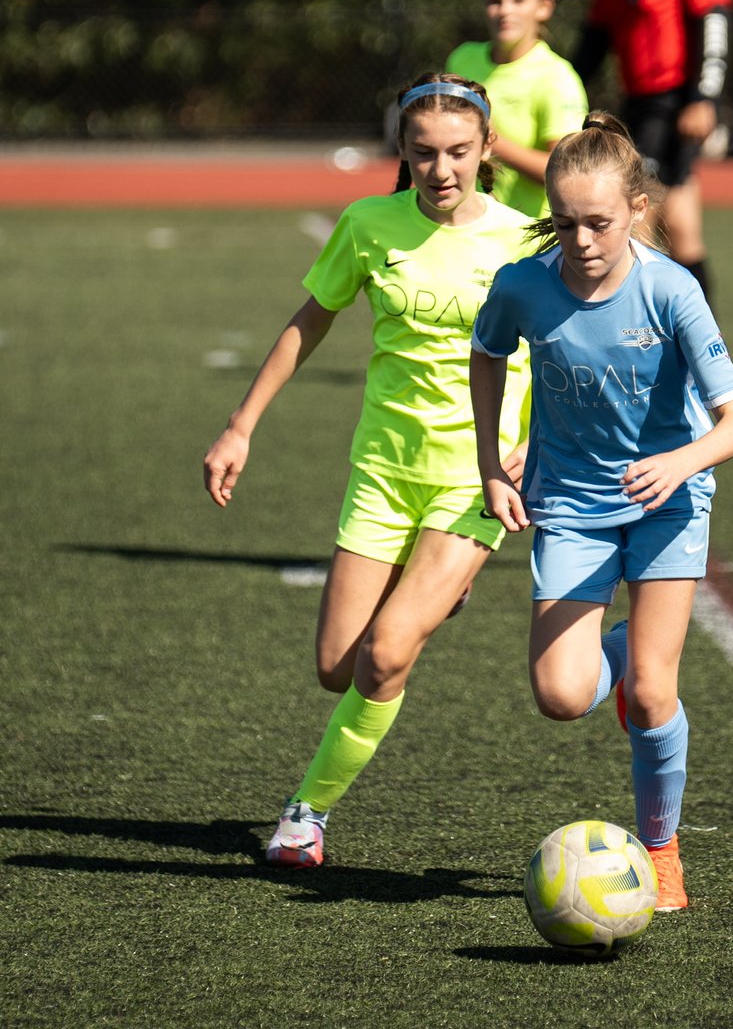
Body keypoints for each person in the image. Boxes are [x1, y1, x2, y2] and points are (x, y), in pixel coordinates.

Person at [203, 73, 533, 867]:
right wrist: (240, 425)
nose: (442, 169)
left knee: (386, 655)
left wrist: (537, 445)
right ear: (403, 153)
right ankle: (435, 595)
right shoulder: (366, 224)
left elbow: (568, 351)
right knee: (336, 668)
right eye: (423, 154)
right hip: (383, 471)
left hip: (477, 481)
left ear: (488, 149)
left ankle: (306, 814)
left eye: (458, 151)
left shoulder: (528, 240)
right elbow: (308, 323)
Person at [469, 112, 733, 910]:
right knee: (561, 697)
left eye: (598, 222)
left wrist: (680, 460)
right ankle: (632, 648)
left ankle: (661, 849)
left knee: (653, 697)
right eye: (564, 224)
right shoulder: (523, 285)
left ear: (636, 206)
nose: (582, 240)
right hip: (568, 504)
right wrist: (494, 465)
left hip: (668, 504)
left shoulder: (672, 289)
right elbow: (487, 352)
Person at [572, 0, 733, 304]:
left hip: (675, 101)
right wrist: (564, 87)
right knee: (678, 226)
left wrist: (704, 98)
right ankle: (691, 343)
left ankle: (679, 339)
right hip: (637, 104)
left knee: (639, 222)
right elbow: (595, 38)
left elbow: (715, 23)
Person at [446, 0, 588, 218]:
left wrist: (491, 142)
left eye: (518, 0)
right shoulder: (462, 59)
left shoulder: (557, 77)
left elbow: (568, 175)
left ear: (544, 7)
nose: (505, 11)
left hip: (528, 238)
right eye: (495, 0)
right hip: (465, 226)